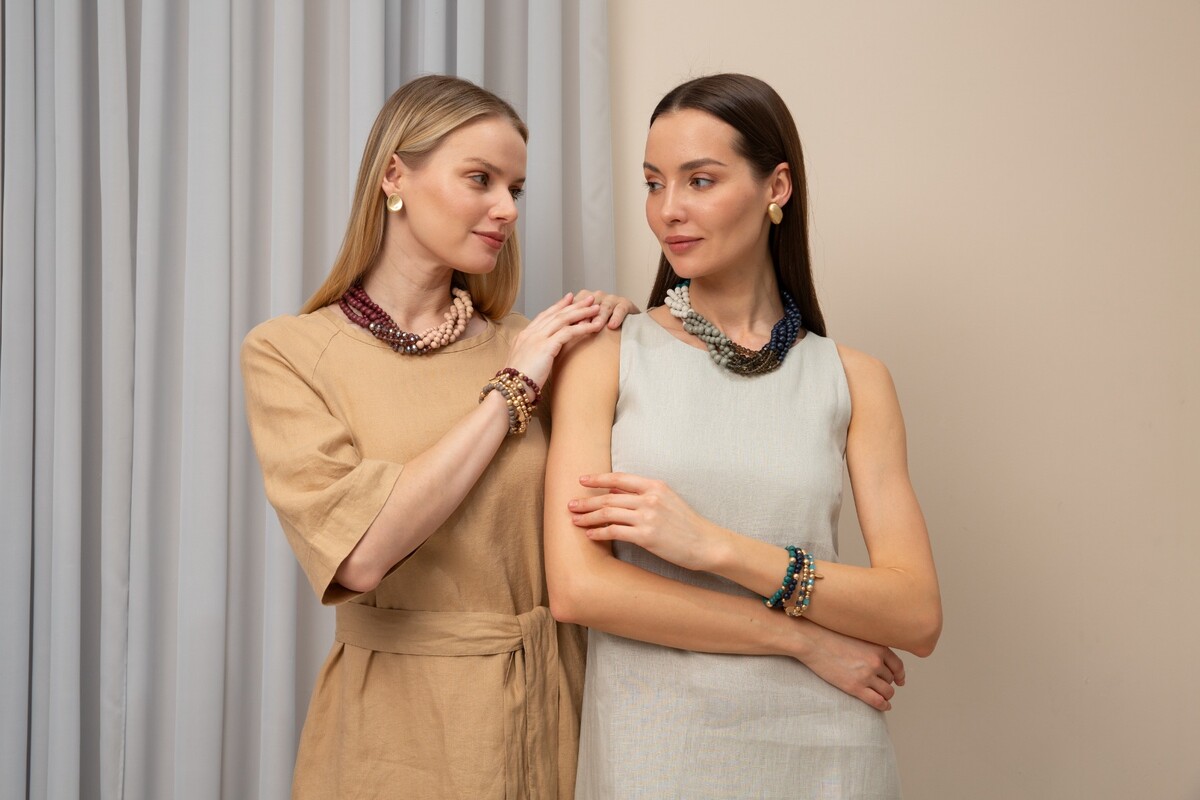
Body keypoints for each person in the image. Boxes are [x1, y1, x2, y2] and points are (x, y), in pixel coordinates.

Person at [544, 73, 942, 798]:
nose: (669, 209)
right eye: (653, 183)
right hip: (656, 754)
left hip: (829, 751)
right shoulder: (605, 356)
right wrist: (801, 638)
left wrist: (714, 547)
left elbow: (915, 613)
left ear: (775, 187)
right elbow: (579, 589)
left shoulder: (855, 379)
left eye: (700, 180)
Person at [241, 74, 635, 799]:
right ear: (395, 175)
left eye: (516, 189)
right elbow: (361, 553)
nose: (506, 208)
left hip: (553, 713)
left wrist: (625, 340)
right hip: (396, 734)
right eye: (480, 179)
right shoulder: (289, 352)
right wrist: (512, 391)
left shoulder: (538, 345)